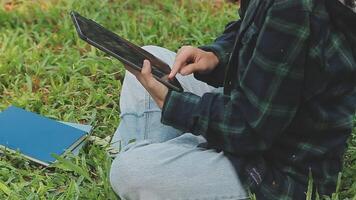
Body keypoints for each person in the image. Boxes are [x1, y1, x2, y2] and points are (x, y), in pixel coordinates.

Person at [109, 0, 356, 199]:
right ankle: (166, 160)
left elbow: (249, 128)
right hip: (254, 112)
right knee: (151, 58)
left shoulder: (292, 9)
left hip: (277, 171)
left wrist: (171, 104)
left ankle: (156, 163)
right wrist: (216, 55)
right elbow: (252, 31)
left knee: (130, 171)